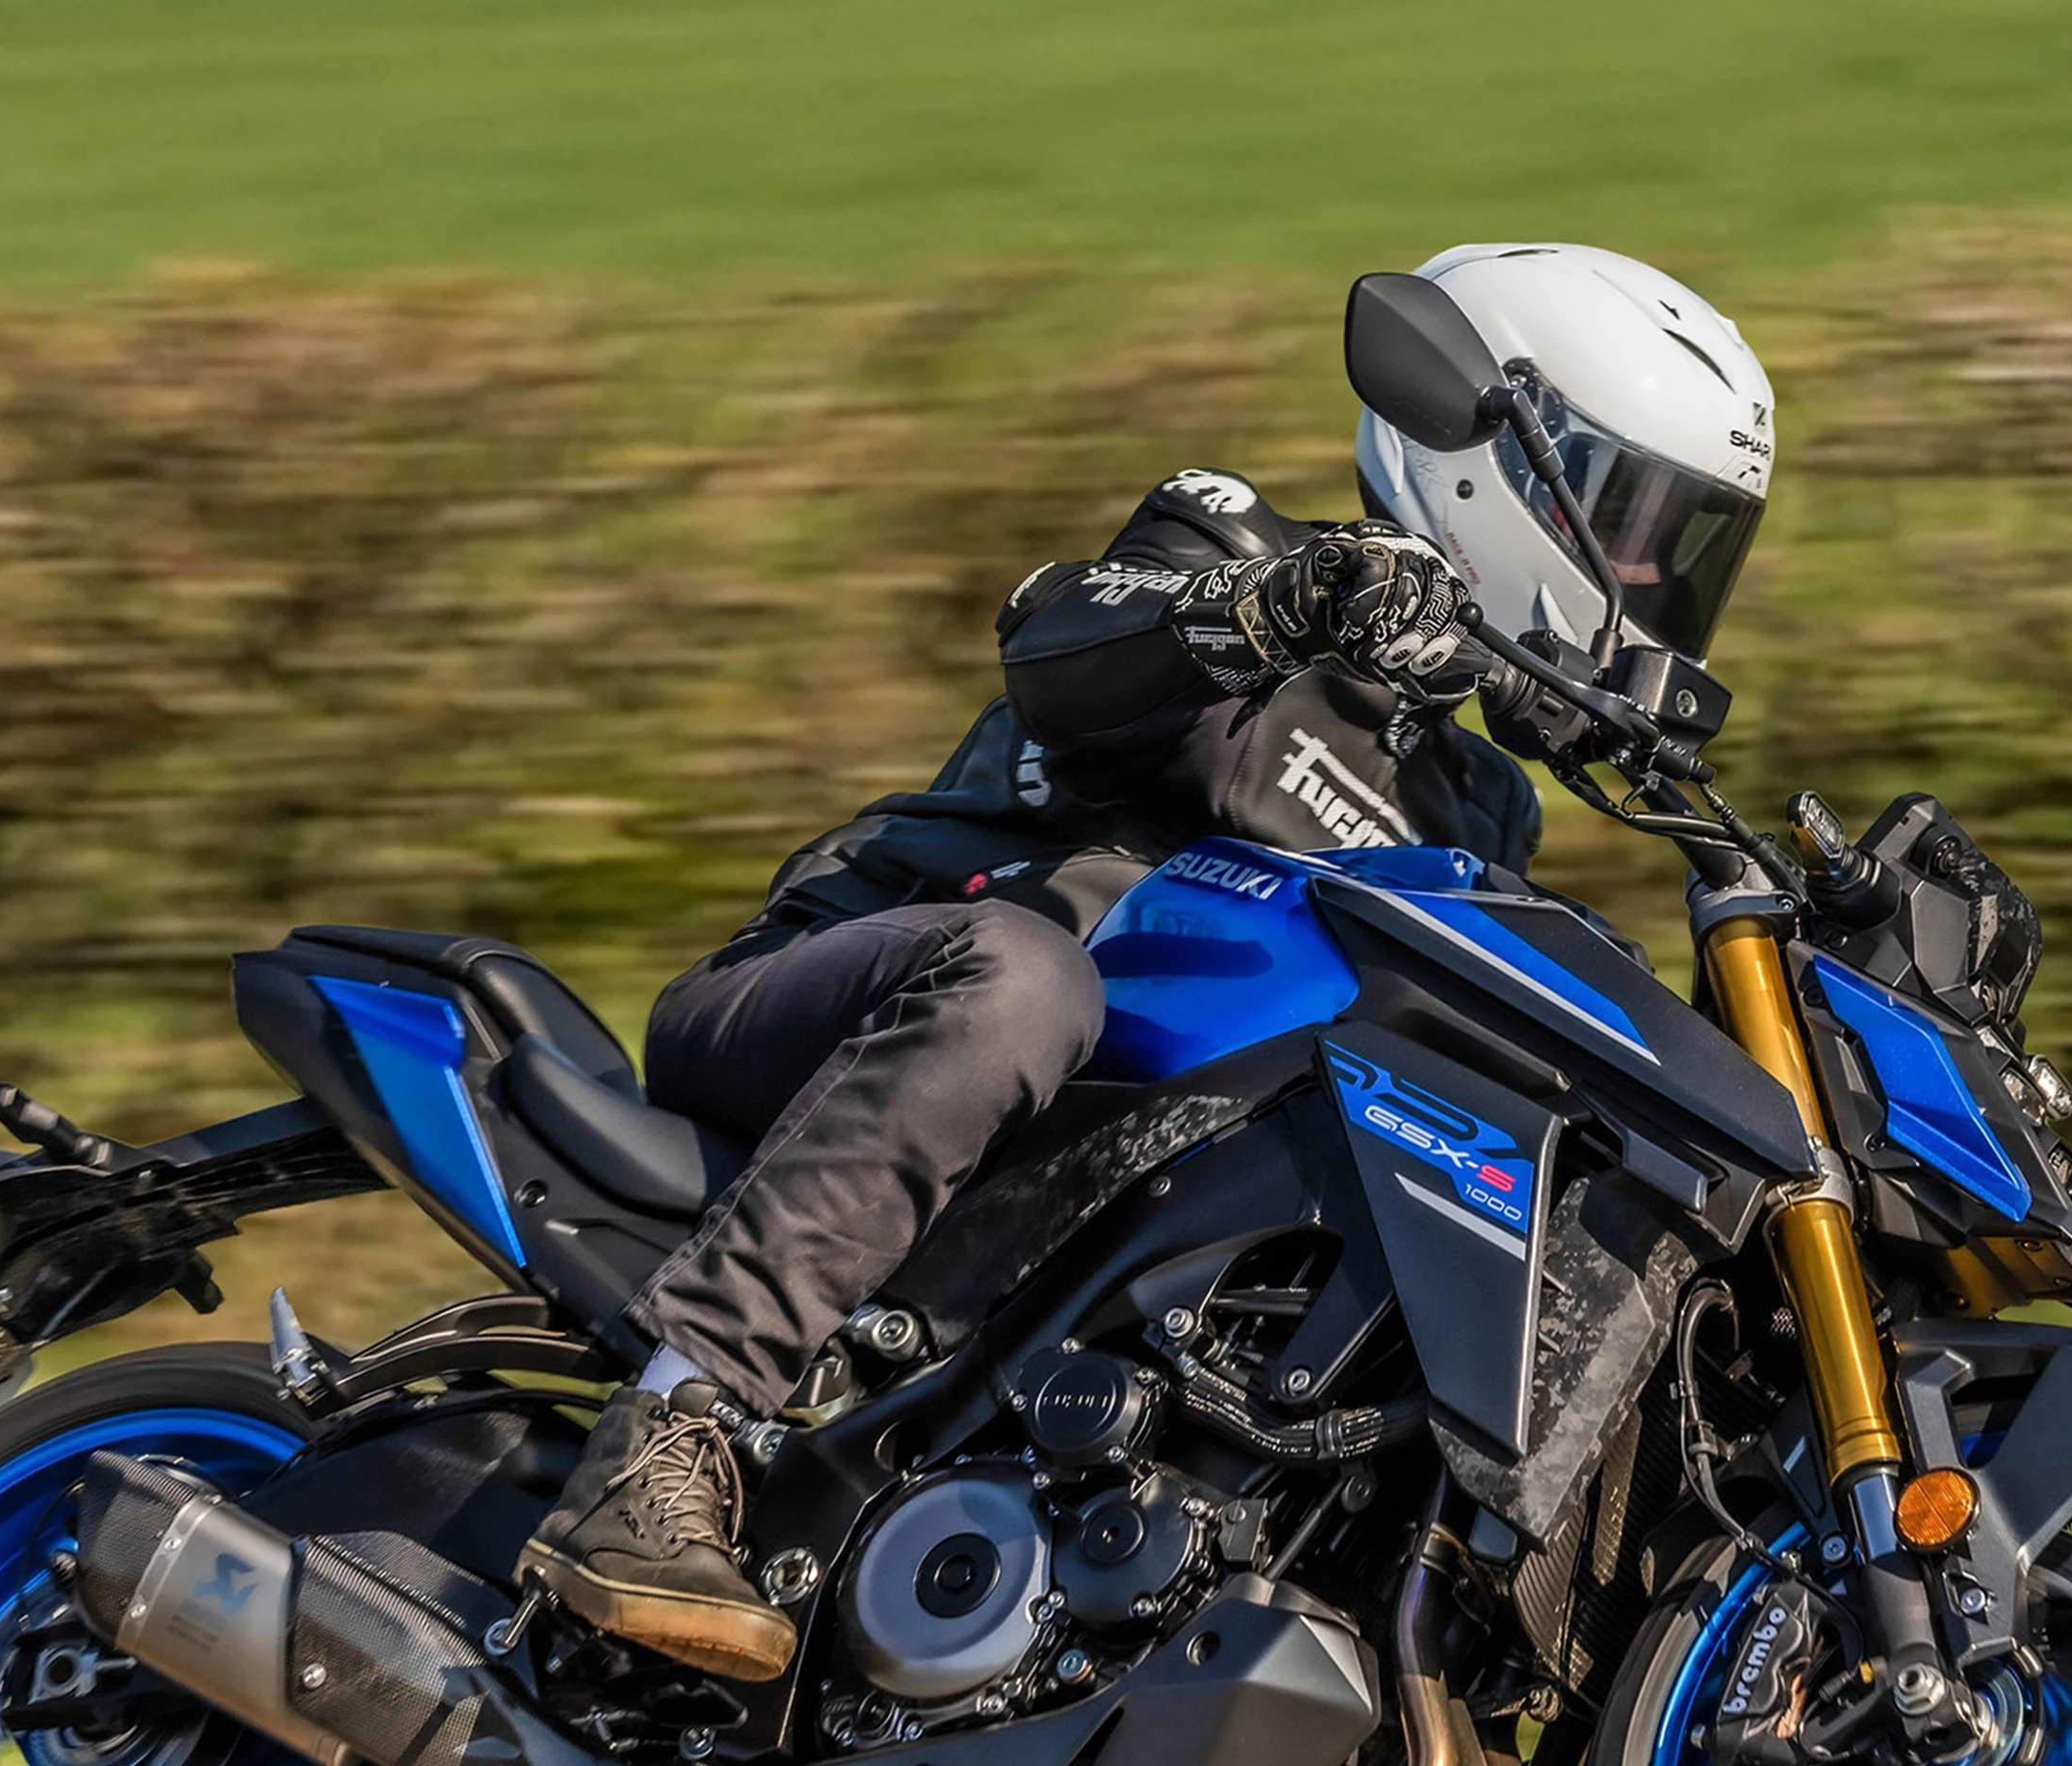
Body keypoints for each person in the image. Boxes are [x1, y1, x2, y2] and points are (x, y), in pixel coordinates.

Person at [517, 242, 1781, 1684]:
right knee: (1028, 976)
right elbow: (1059, 655)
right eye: (1633, 524)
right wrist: (1278, 608)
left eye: (1683, 547)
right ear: (1499, 463)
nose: (1645, 579)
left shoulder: (1482, 809)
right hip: (844, 1005)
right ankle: (666, 1430)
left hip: (1083, 1173)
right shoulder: (1237, 552)